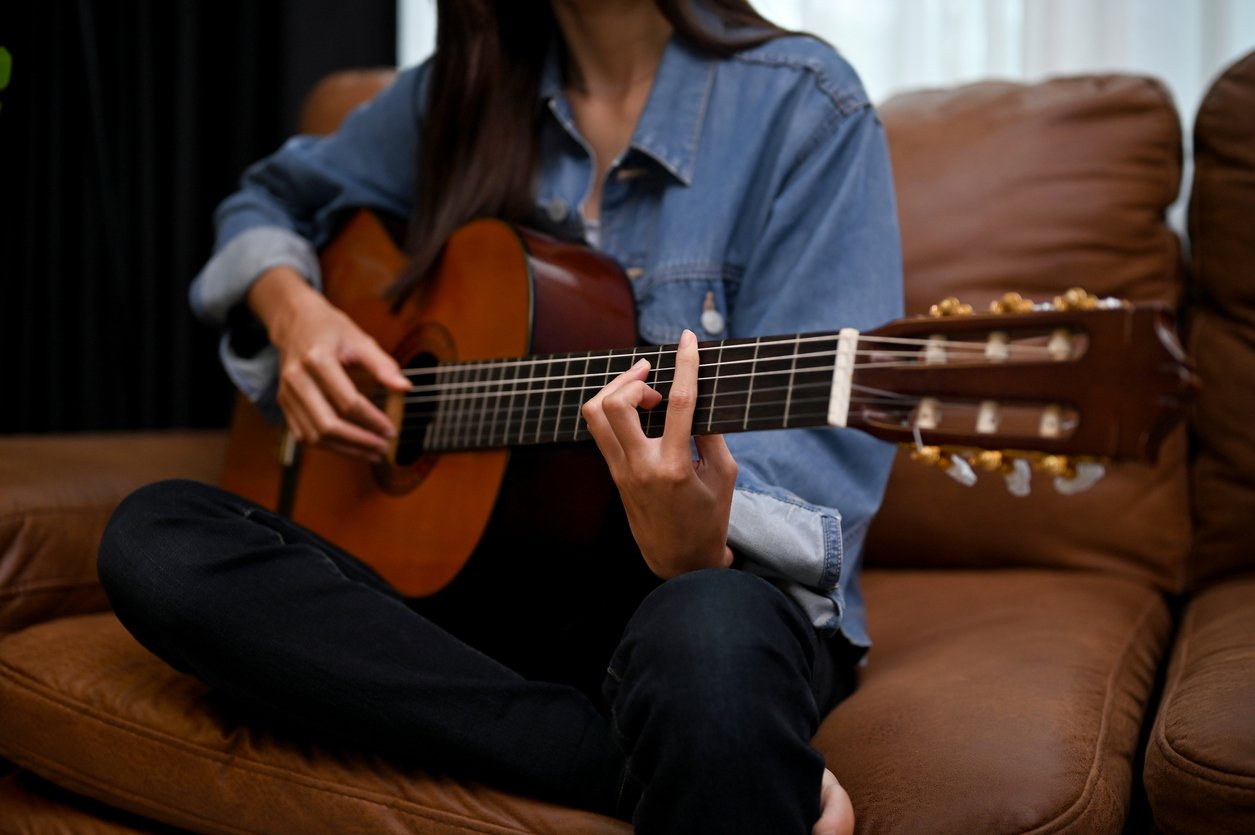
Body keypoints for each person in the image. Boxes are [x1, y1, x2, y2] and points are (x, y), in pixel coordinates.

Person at [97, 1, 903, 833]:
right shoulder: (458, 94)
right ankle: (630, 759)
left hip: (695, 591)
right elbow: (264, 204)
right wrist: (294, 311)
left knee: (710, 642)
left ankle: (659, 732)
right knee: (156, 538)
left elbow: (812, 485)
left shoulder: (806, 105)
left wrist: (694, 542)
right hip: (482, 597)